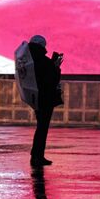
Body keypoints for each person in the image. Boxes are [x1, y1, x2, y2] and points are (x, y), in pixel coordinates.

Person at [27, 35, 63, 168]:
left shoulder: (29, 59)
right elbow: (52, 79)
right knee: (42, 128)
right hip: (46, 98)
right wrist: (56, 66)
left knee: (40, 127)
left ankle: (36, 154)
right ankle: (37, 156)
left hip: (36, 97)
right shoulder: (44, 61)